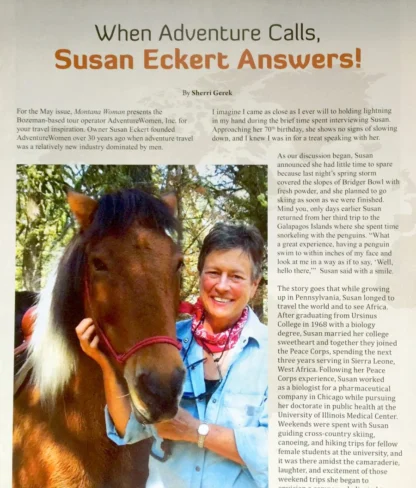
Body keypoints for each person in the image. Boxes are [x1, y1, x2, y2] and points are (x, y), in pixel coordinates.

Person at [76, 222, 268, 488]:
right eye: (213, 272)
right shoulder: (168, 344)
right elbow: (130, 430)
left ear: (254, 285)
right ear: (200, 276)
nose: (222, 286)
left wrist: (195, 431)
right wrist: (104, 364)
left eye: (236, 276)